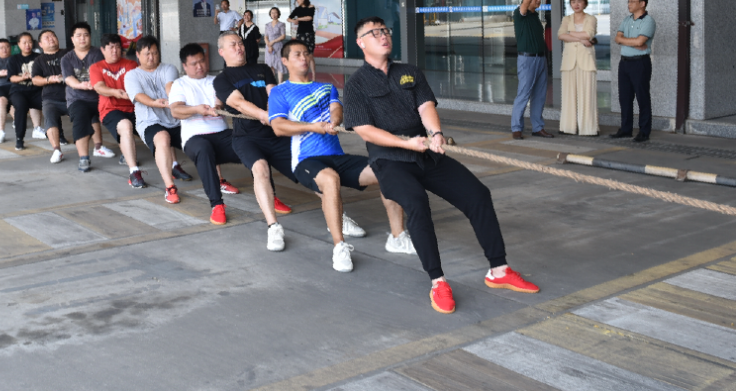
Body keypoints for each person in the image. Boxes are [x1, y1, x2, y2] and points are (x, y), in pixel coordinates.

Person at [344, 16, 538, 314]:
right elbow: (365, 130)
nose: (383, 35)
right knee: (417, 204)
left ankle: (499, 270)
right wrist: (406, 144)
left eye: (385, 31)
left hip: (426, 153)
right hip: (390, 161)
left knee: (478, 195)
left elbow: (426, 106)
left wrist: (435, 134)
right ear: (361, 43)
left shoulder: (409, 72)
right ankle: (438, 281)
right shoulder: (356, 84)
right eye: (374, 33)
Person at [270, 40, 407, 272]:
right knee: (330, 179)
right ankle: (339, 246)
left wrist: (334, 120)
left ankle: (398, 237)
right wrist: (313, 127)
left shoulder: (326, 87)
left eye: (306, 54)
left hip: (336, 157)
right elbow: (278, 127)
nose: (303, 58)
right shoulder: (280, 91)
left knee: (388, 168)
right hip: (305, 160)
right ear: (284, 61)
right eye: (297, 55)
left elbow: (336, 109)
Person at [213, 32, 299, 252]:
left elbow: (273, 94)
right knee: (260, 169)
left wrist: (274, 113)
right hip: (246, 137)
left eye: (240, 43)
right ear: (222, 52)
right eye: (233, 44)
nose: (239, 47)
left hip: (275, 133)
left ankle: (339, 216)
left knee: (309, 166)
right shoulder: (221, 80)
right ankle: (273, 227)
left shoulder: (263, 68)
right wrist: (263, 115)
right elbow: (238, 103)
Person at [169, 43, 246, 224]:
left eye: (202, 61)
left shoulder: (217, 80)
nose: (200, 66)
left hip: (221, 133)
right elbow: (176, 111)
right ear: (184, 66)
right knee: (204, 149)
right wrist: (197, 109)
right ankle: (217, 205)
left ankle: (270, 195)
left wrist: (219, 105)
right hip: (195, 138)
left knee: (251, 144)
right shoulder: (180, 84)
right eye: (194, 63)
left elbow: (227, 101)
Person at [125, 35, 194, 203]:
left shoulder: (169, 68)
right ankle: (170, 187)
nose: (151, 57)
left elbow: (169, 85)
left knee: (203, 138)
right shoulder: (131, 75)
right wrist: (155, 103)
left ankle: (219, 180)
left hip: (174, 118)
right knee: (162, 138)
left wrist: (173, 99)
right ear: (138, 55)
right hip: (149, 121)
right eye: (147, 54)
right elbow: (138, 96)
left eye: (155, 53)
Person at [90, 34, 145, 187]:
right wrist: (115, 92)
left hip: (134, 108)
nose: (115, 50)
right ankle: (134, 172)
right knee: (126, 126)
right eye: (111, 47)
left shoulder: (131, 64)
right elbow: (99, 87)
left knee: (161, 128)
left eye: (118, 47)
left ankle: (173, 165)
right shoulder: (96, 67)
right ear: (103, 50)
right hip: (110, 110)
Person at [61, 22, 112, 172]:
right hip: (77, 98)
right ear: (72, 39)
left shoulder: (98, 54)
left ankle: (125, 153)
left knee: (119, 118)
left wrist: (97, 85)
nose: (82, 38)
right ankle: (84, 157)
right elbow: (68, 78)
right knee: (80, 119)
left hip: (101, 96)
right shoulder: (67, 58)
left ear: (90, 37)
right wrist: (80, 85)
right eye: (78, 35)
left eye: (86, 35)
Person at [510, 0, 553, 139]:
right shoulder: (520, 13)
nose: (538, 0)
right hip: (527, 60)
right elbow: (525, 4)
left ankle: (538, 127)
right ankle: (516, 128)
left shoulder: (535, 16)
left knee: (540, 95)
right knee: (524, 94)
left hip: (540, 59)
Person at [612, 0, 655, 142]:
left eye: (632, 1)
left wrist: (629, 41)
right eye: (628, 1)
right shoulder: (626, 19)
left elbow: (640, 41)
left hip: (640, 63)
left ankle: (644, 131)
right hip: (624, 63)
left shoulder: (648, 21)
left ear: (642, 4)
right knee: (625, 97)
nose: (629, 4)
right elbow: (617, 38)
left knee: (642, 97)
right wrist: (634, 42)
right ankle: (626, 129)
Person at [557, 0, 598, 136]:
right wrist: (581, 40)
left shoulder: (591, 18)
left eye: (579, 1)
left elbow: (589, 34)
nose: (576, 4)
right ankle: (568, 127)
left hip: (586, 60)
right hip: (569, 62)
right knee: (568, 95)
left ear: (585, 3)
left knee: (587, 95)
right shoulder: (566, 19)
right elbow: (560, 35)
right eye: (573, 2)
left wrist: (570, 33)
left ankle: (589, 129)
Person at [31, 30, 67, 163]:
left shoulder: (68, 54)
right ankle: (57, 150)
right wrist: (49, 79)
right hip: (51, 98)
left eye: (53, 36)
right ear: (40, 44)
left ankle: (98, 146)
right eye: (47, 37)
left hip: (73, 95)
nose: (51, 38)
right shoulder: (39, 61)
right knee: (49, 116)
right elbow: (35, 80)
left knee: (88, 115)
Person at [8, 32, 45, 149]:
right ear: (19, 44)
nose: (27, 45)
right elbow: (12, 78)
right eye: (24, 42)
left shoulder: (39, 57)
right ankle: (19, 138)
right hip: (19, 91)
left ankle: (60, 135)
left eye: (29, 42)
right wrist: (22, 78)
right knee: (21, 106)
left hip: (36, 91)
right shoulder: (13, 59)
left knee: (51, 104)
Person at [264, 7, 286, 82]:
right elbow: (265, 37)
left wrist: (273, 41)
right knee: (271, 65)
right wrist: (269, 45)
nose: (274, 14)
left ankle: (280, 84)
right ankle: (272, 83)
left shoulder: (281, 24)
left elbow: (283, 36)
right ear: (270, 14)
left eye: (275, 12)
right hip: (269, 47)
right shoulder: (267, 25)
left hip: (278, 46)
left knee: (279, 65)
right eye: (272, 13)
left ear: (278, 14)